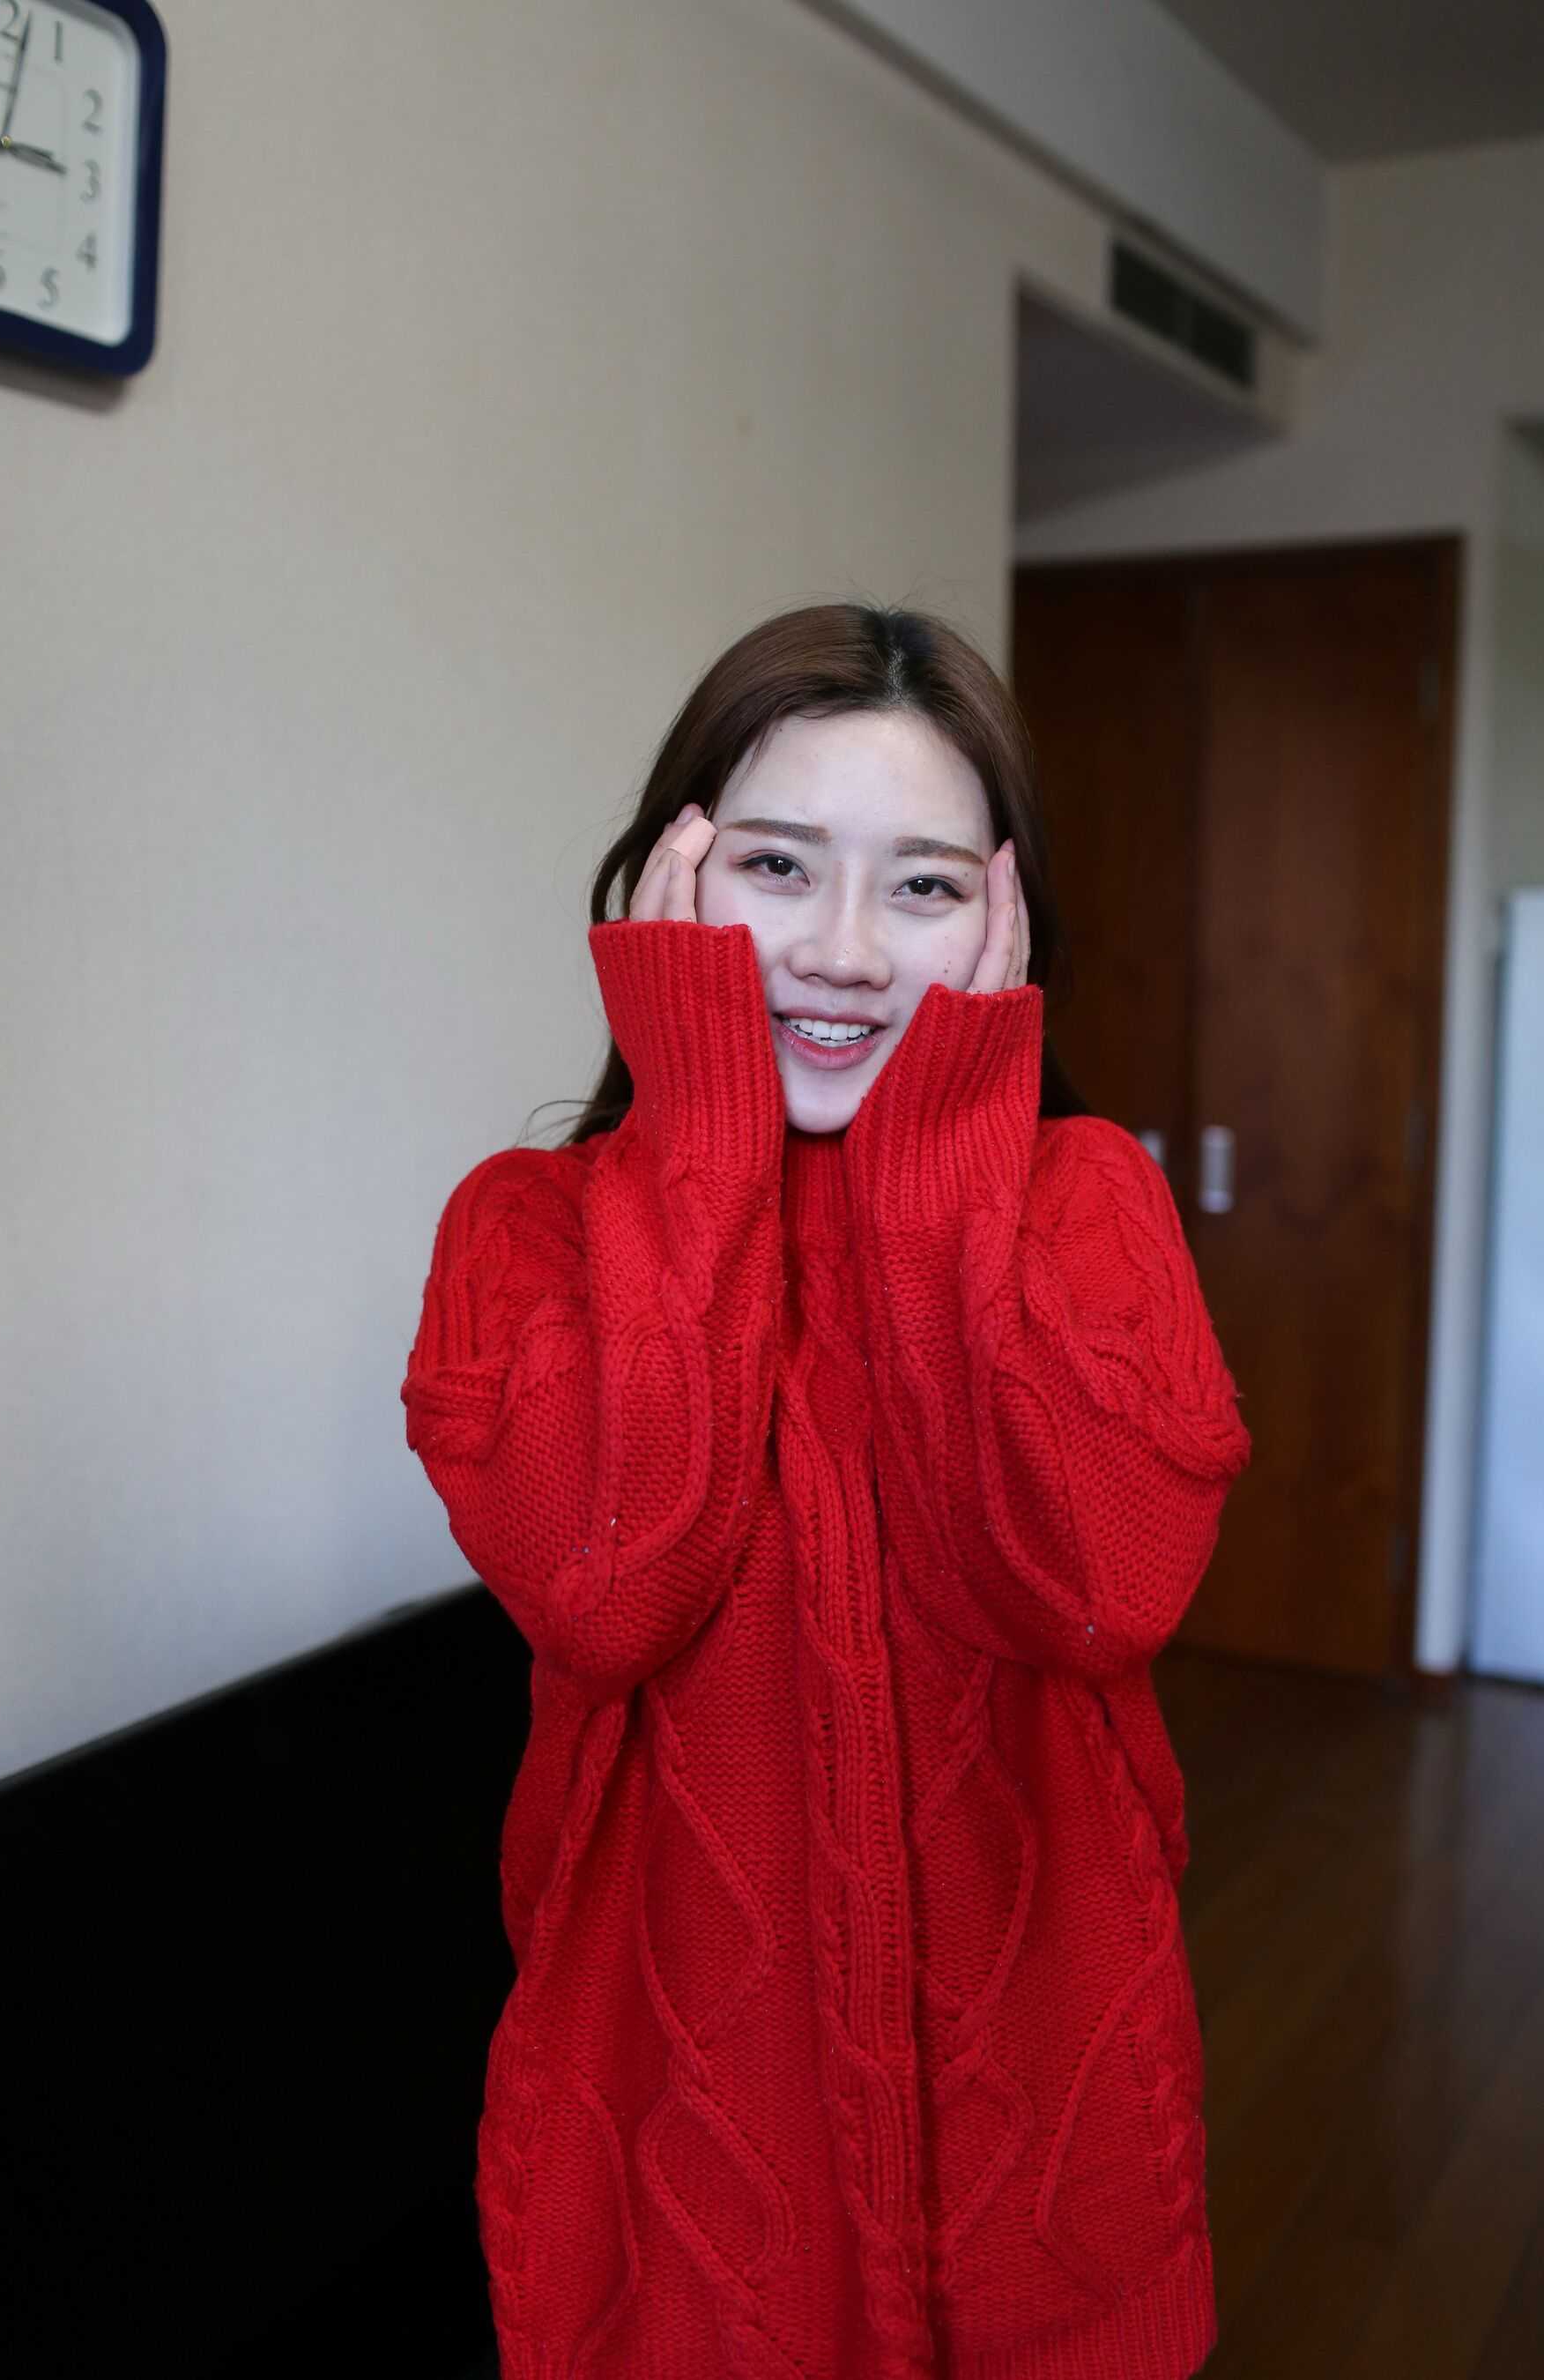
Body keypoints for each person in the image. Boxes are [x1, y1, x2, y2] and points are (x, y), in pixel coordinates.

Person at [400, 600, 1252, 2380]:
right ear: (674, 881)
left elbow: (1087, 1591)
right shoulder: (523, 1232)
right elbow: (612, 1590)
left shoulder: (1093, 1204)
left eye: (923, 887)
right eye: (778, 867)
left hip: (1050, 2160)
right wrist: (704, 1134)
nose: (848, 952)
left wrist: (941, 1159)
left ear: (1004, 919)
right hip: (681, 2176)